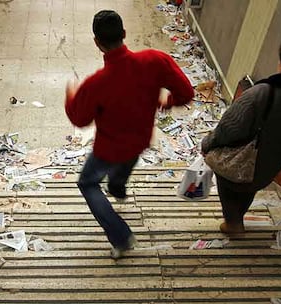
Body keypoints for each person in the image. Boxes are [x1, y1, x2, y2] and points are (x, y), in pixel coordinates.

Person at [65, 10, 194, 259]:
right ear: (124, 34)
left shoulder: (96, 84)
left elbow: (80, 120)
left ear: (97, 42)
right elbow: (186, 92)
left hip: (108, 149)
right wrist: (169, 101)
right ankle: (118, 188)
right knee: (125, 165)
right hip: (139, 140)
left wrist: (71, 97)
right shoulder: (155, 60)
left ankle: (120, 235)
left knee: (88, 183)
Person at [202, 35, 281, 234]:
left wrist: (208, 143)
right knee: (251, 187)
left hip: (241, 162)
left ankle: (233, 223)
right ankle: (238, 218)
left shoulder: (261, 93)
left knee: (228, 184)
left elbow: (229, 129)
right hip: (270, 165)